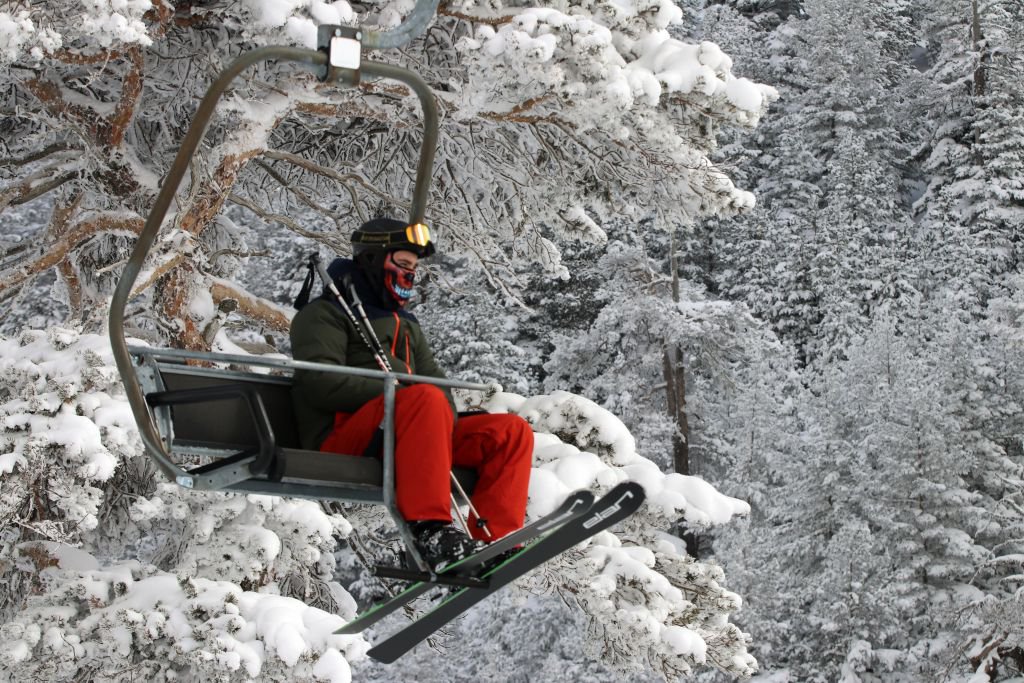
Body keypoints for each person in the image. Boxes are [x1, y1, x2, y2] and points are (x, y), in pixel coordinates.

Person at [289, 217, 534, 570]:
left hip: (409, 430)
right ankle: (430, 531)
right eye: (403, 264)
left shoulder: (406, 324)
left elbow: (438, 388)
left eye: (414, 268)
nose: (410, 275)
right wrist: (400, 393)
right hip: (342, 437)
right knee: (424, 397)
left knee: (510, 432)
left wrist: (423, 408)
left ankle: (495, 540)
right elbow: (322, 383)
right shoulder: (324, 315)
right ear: (373, 260)